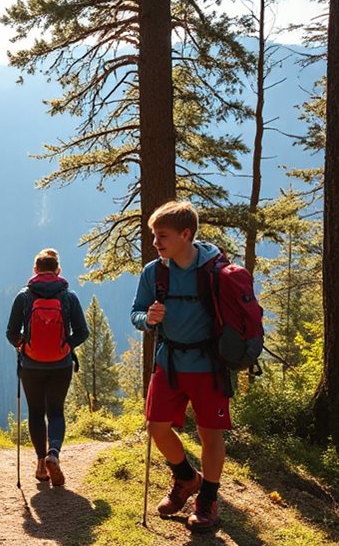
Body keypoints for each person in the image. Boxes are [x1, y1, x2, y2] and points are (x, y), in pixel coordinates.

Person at [131, 200, 230, 533]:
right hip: (169, 362)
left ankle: (208, 502)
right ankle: (187, 478)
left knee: (209, 434)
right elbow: (136, 312)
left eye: (162, 236)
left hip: (208, 365)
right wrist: (148, 319)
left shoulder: (214, 270)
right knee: (156, 428)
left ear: (186, 234)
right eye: (154, 236)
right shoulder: (154, 272)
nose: (156, 243)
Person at [6, 248, 89, 486]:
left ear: (35, 270)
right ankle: (54, 452)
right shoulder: (68, 297)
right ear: (58, 271)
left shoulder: (24, 296)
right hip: (60, 365)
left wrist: (24, 345)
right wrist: (66, 345)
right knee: (56, 411)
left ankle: (41, 464)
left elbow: (11, 332)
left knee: (35, 412)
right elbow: (83, 331)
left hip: (31, 365)